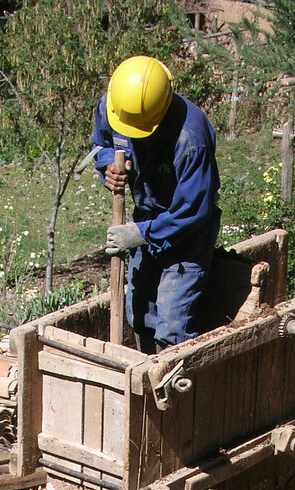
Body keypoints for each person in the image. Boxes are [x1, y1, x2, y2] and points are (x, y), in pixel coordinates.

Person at [92, 55, 221, 354]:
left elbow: (194, 209)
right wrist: (107, 165)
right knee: (139, 315)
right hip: (145, 216)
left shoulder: (191, 138)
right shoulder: (116, 106)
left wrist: (142, 234)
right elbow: (102, 144)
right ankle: (143, 382)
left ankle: (175, 392)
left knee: (171, 326)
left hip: (187, 232)